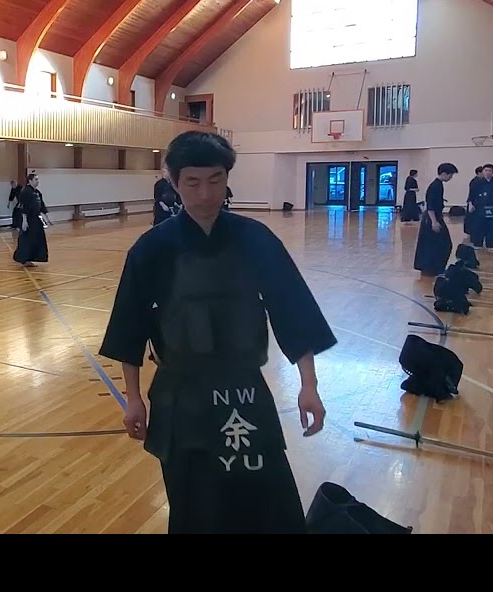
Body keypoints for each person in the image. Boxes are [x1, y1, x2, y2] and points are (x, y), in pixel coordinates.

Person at [98, 130, 337, 534]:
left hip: (243, 391)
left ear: (227, 178)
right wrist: (133, 399)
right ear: (173, 182)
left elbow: (292, 311)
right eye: (192, 182)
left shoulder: (255, 239)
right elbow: (129, 327)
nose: (205, 193)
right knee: (195, 507)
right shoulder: (152, 248)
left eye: (215, 180)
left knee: (267, 501)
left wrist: (309, 385)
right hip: (180, 396)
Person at [413, 163, 459, 276]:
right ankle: (433, 268)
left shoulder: (438, 185)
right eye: (450, 175)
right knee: (443, 244)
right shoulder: (435, 186)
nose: (451, 177)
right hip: (432, 218)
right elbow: (431, 206)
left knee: (434, 244)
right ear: (444, 174)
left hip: (434, 217)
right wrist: (434, 222)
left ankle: (433, 267)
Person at [12, 172, 48, 267]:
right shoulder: (25, 192)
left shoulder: (37, 192)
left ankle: (31, 258)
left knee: (37, 239)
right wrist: (24, 221)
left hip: (36, 219)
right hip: (27, 219)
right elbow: (23, 207)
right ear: (30, 181)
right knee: (26, 240)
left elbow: (41, 206)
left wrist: (45, 217)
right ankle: (22, 258)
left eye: (38, 179)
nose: (38, 181)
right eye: (36, 179)